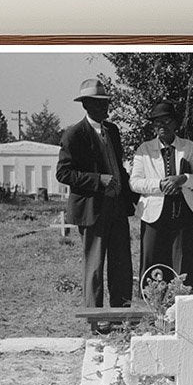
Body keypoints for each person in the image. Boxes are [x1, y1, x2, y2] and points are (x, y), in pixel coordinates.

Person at [55, 79, 137, 309]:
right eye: (99, 103)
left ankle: (121, 315)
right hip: (93, 210)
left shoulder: (113, 131)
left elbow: (119, 168)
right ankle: (96, 318)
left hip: (118, 208)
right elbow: (63, 173)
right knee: (95, 266)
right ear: (86, 105)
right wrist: (98, 180)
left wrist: (134, 196)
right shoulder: (74, 134)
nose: (105, 108)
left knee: (121, 264)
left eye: (106, 103)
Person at [129, 100, 193, 293]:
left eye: (166, 121)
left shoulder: (188, 147)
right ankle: (154, 307)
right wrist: (160, 185)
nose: (161, 126)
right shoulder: (144, 150)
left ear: (175, 124)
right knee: (154, 263)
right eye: (157, 123)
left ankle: (184, 307)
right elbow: (135, 182)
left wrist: (183, 179)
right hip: (154, 216)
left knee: (185, 263)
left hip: (184, 215)